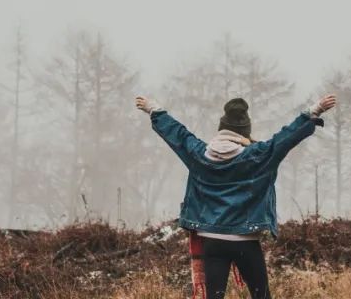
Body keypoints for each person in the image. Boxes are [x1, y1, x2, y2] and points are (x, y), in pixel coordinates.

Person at [136, 92, 336, 299]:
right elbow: (284, 139)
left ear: (221, 129)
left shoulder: (198, 154)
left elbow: (179, 135)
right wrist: (313, 112)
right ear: (244, 132)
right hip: (245, 240)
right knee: (261, 296)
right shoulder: (257, 155)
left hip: (212, 241)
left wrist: (155, 110)